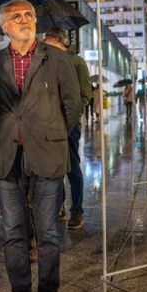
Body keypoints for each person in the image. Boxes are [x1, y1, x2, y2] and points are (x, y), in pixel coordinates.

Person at [0, 0, 80, 292]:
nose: (25, 20)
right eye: (16, 16)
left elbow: (73, 105)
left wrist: (50, 134)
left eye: (29, 15)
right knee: (12, 230)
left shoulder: (56, 59)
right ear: (4, 26)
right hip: (7, 157)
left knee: (49, 230)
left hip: (47, 155)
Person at [42, 27, 91, 230]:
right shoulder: (47, 62)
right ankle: (59, 206)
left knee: (72, 167)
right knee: (54, 168)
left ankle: (77, 210)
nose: (44, 44)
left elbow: (85, 96)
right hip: (49, 124)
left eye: (47, 40)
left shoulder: (76, 62)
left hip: (69, 125)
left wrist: (68, 119)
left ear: (58, 40)